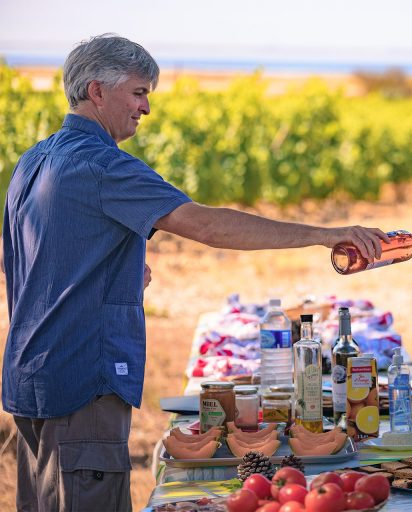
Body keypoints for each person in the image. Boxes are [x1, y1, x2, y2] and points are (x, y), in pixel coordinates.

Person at [1, 34, 389, 512]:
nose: (146, 108)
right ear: (96, 91)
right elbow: (205, 224)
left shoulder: (33, 160)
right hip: (83, 380)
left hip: (31, 375)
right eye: (139, 92)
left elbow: (30, 261)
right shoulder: (103, 165)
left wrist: (118, 277)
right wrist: (323, 234)